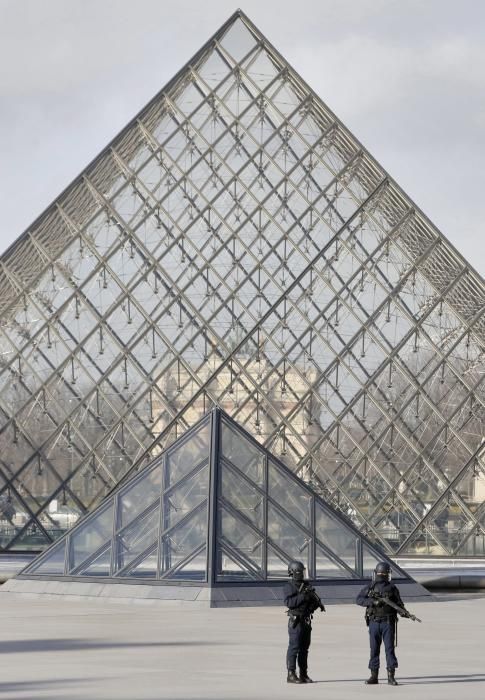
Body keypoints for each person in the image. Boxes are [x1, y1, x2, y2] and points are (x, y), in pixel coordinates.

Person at [356, 561, 411, 686]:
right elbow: (359, 600)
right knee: (381, 650)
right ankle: (375, 676)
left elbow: (399, 605)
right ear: (387, 573)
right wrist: (373, 602)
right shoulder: (371, 587)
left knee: (384, 650)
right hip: (376, 622)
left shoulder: (391, 588)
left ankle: (389, 676)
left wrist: (404, 613)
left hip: (386, 622)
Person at [284, 560, 324, 684]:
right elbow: (289, 603)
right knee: (294, 647)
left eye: (303, 572)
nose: (302, 574)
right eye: (300, 572)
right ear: (293, 572)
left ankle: (303, 674)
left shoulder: (306, 585)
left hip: (306, 620)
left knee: (304, 649)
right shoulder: (289, 586)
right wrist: (303, 596)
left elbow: (312, 600)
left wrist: (315, 604)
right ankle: (291, 674)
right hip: (296, 621)